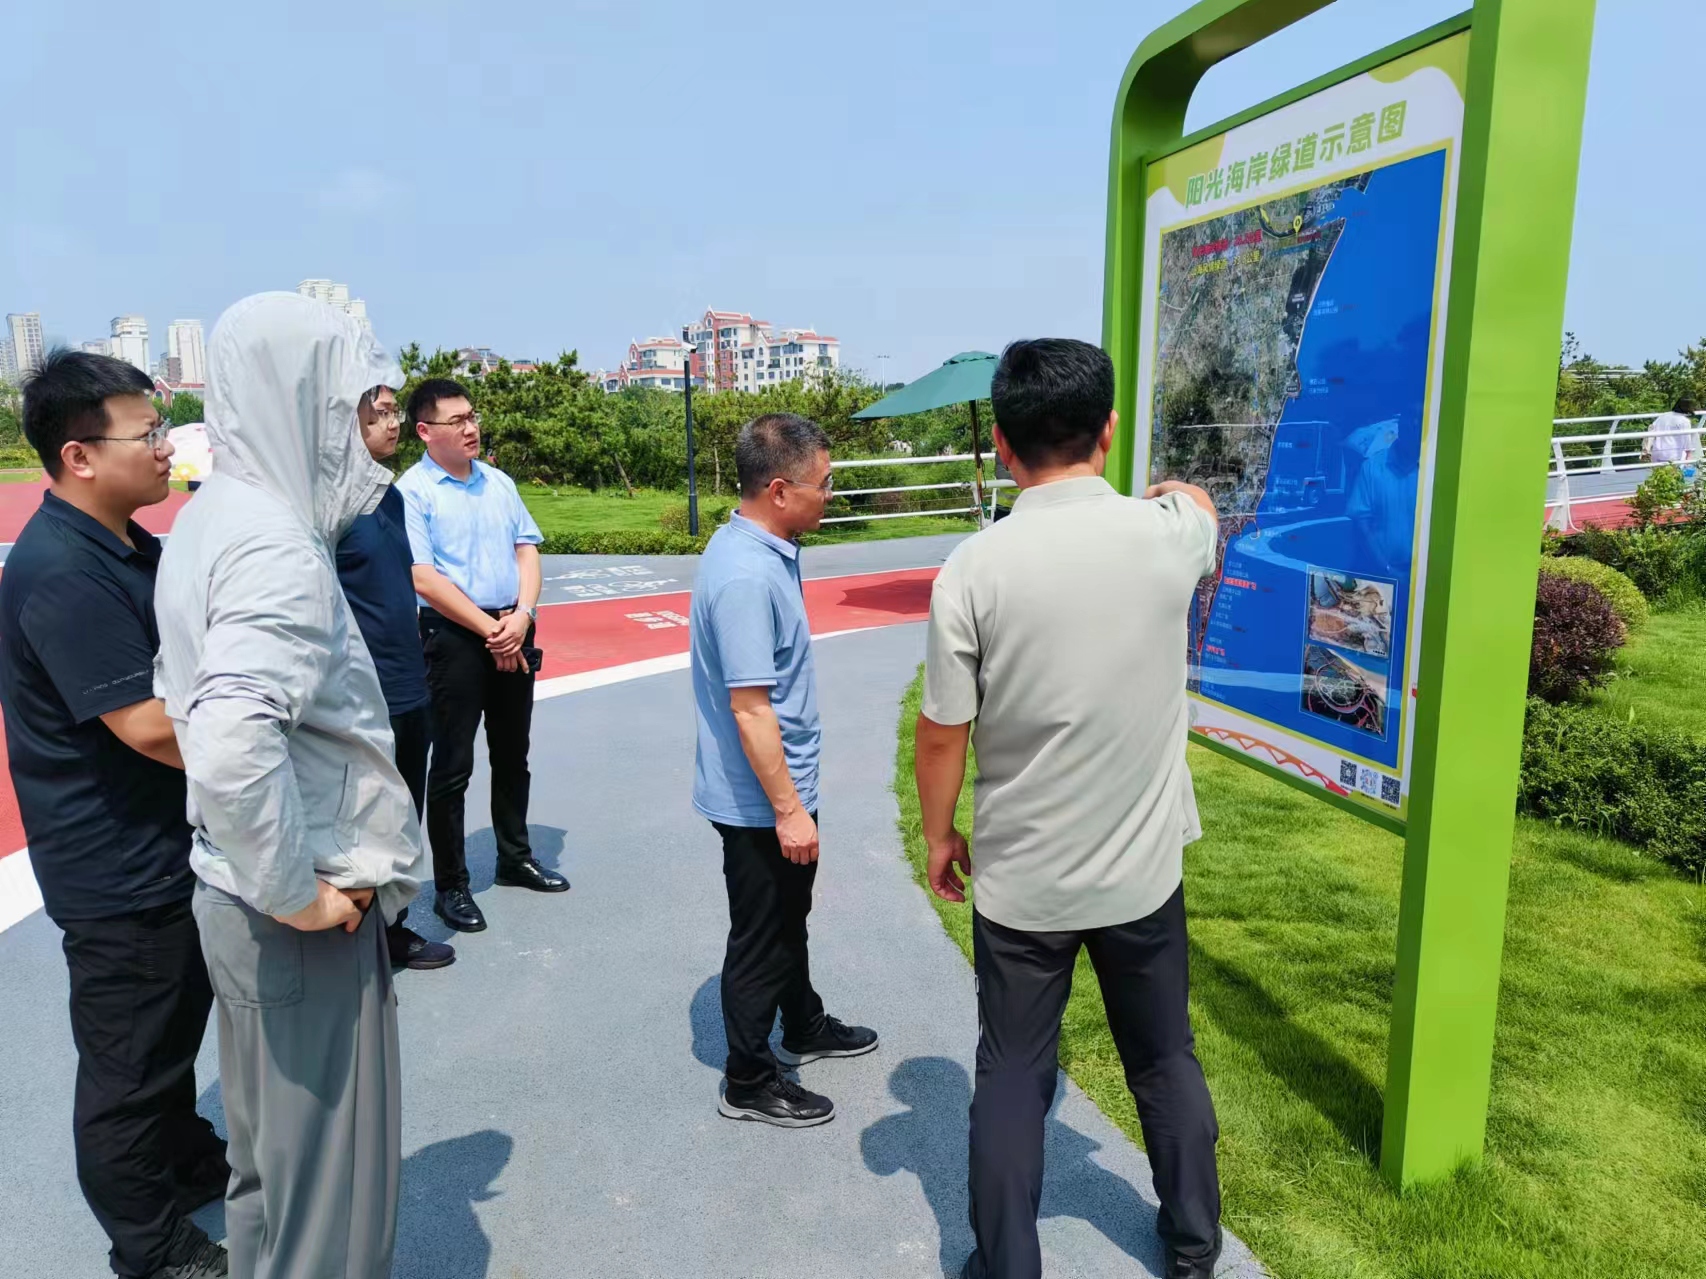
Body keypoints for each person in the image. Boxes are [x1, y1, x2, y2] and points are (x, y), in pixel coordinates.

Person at [913, 339, 1224, 1279]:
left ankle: (1009, 1263)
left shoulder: (973, 568)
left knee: (1013, 1071)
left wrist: (940, 833)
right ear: (1109, 429)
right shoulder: (1167, 536)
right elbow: (1201, 509)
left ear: (1003, 446)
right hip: (1140, 870)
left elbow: (942, 734)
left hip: (1023, 877)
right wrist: (1173, 489)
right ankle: (1194, 1246)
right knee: (1163, 1057)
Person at [153, 292, 425, 1279]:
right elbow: (231, 738)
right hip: (298, 909)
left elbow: (181, 697)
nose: (367, 428)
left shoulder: (210, 516)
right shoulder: (272, 541)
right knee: (330, 1205)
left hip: (236, 890)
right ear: (301, 401)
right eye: (353, 404)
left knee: (269, 1171)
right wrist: (296, 892)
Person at [0, 351, 229, 1279]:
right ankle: (152, 1247)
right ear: (80, 455)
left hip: (158, 844)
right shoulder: (62, 570)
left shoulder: (124, 544)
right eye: (147, 433)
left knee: (167, 1034)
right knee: (128, 1067)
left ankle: (183, 1160)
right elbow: (146, 725)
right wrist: (269, 732)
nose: (166, 447)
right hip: (117, 866)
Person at [689, 413, 878, 1129]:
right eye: (821, 484)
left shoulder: (762, 546)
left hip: (777, 788)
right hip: (762, 799)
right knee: (762, 935)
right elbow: (750, 708)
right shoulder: (745, 575)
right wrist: (789, 809)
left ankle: (802, 1022)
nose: (829, 494)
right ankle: (747, 1077)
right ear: (778, 490)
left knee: (786, 916)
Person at [397, 378, 565, 935]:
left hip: (512, 626)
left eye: (473, 416)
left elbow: (527, 550)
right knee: (452, 765)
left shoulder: (498, 482)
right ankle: (452, 884)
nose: (471, 428)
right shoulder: (412, 491)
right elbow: (423, 577)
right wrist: (494, 630)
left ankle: (515, 857)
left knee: (513, 752)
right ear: (425, 431)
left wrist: (521, 617)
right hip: (454, 638)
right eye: (457, 421)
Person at [335, 382, 456, 971]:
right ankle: (358, 935)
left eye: (393, 413)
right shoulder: (330, 506)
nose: (394, 423)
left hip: (410, 679)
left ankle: (393, 927)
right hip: (363, 688)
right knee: (364, 814)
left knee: (404, 811)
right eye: (379, 414)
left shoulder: (389, 498)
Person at [1643, 396, 1699, 466]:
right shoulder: (1684, 421)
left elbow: (1652, 429)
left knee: (1658, 472)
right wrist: (1688, 455)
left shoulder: (1664, 415)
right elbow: (1687, 440)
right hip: (1672, 455)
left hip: (1656, 452)